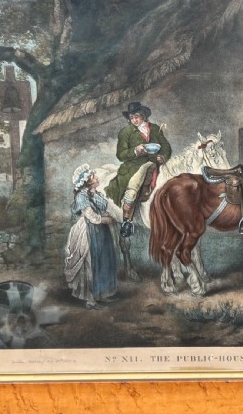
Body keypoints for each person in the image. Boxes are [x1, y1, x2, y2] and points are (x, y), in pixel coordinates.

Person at [104, 101, 172, 237]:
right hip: (134, 166)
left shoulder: (155, 128)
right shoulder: (126, 132)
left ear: (143, 116)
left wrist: (163, 157)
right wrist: (135, 151)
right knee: (132, 189)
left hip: (156, 164)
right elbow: (121, 155)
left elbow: (166, 147)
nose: (134, 120)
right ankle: (126, 222)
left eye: (136, 116)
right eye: (131, 117)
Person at [64, 164, 119, 309]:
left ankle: (102, 294)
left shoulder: (95, 193)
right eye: (93, 177)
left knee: (104, 260)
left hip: (101, 231)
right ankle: (91, 299)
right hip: (88, 232)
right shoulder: (82, 196)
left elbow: (104, 206)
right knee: (91, 262)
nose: (96, 178)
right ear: (87, 181)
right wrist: (105, 220)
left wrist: (95, 193)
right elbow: (91, 216)